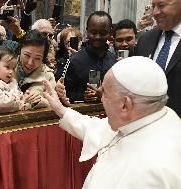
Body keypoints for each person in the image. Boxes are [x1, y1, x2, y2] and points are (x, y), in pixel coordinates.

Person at [43, 56, 181, 189]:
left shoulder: (149, 171)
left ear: (125, 105)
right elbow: (97, 128)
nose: (101, 99)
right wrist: (60, 109)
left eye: (105, 93)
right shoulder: (151, 116)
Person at [135, 0, 181, 117]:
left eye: (161, 6)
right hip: (146, 124)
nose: (154, 13)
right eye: (153, 6)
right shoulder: (145, 39)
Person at [63, 11, 116, 103]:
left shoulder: (114, 61)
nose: (98, 37)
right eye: (93, 32)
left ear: (109, 32)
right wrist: (83, 97)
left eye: (103, 33)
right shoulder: (74, 61)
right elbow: (66, 94)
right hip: (83, 114)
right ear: (87, 31)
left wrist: (105, 95)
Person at [0, 46, 34, 113]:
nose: (11, 72)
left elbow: (19, 94)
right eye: (7, 67)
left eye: (13, 68)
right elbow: (3, 102)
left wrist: (25, 98)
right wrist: (19, 97)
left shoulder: (12, 81)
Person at [14, 30, 56, 109]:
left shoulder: (48, 76)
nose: (30, 63)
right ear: (20, 50)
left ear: (43, 58)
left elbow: (54, 104)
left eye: (37, 58)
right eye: (27, 55)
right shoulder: (7, 66)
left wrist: (40, 101)